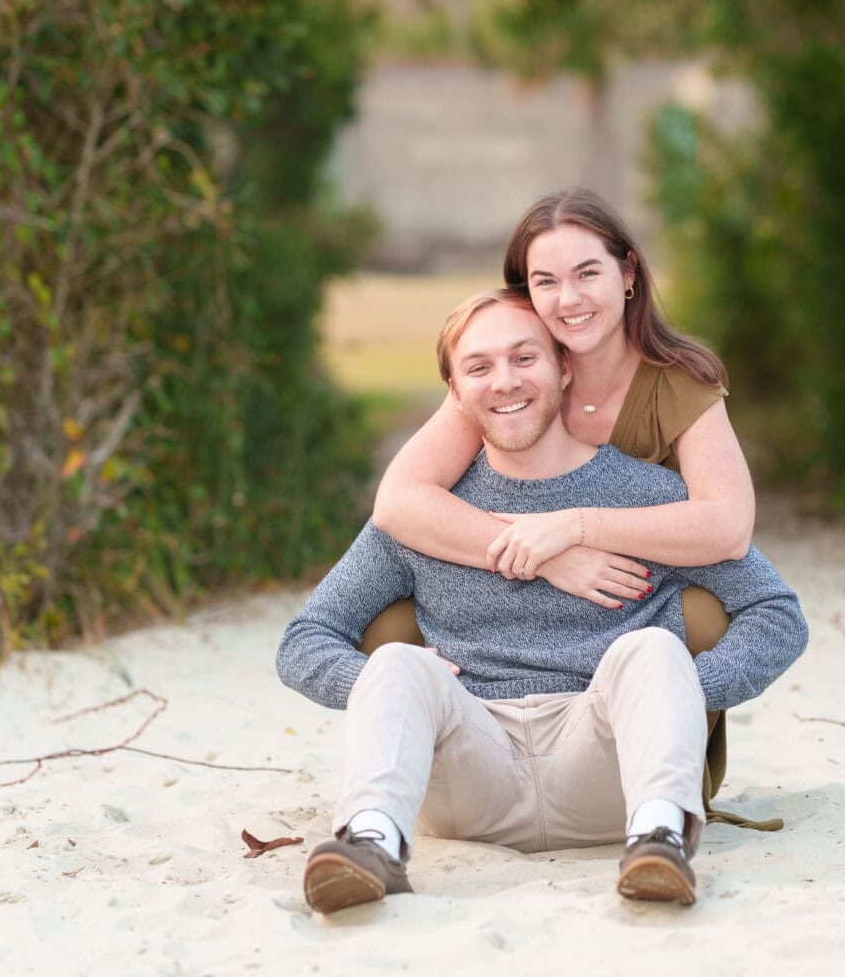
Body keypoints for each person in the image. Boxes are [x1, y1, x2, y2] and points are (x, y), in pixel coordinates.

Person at [276, 291, 808, 914]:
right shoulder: (427, 515)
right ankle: (371, 844)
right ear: (456, 390)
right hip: (470, 767)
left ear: (562, 367)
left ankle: (662, 839)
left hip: (603, 763)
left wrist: (686, 691)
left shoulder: (645, 495)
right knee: (397, 663)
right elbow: (304, 640)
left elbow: (777, 615)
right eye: (478, 367)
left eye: (523, 357)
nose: (504, 382)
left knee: (652, 650)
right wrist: (386, 685)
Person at [367, 188, 758, 820]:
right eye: (545, 281)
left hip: (623, 621)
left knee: (709, 609)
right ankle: (425, 759)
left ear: (628, 273)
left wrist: (576, 528)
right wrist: (542, 556)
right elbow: (399, 501)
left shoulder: (680, 381)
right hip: (510, 632)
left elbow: (729, 526)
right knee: (385, 621)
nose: (568, 300)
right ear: (525, 293)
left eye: (588, 274)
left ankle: (660, 762)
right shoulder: (513, 379)